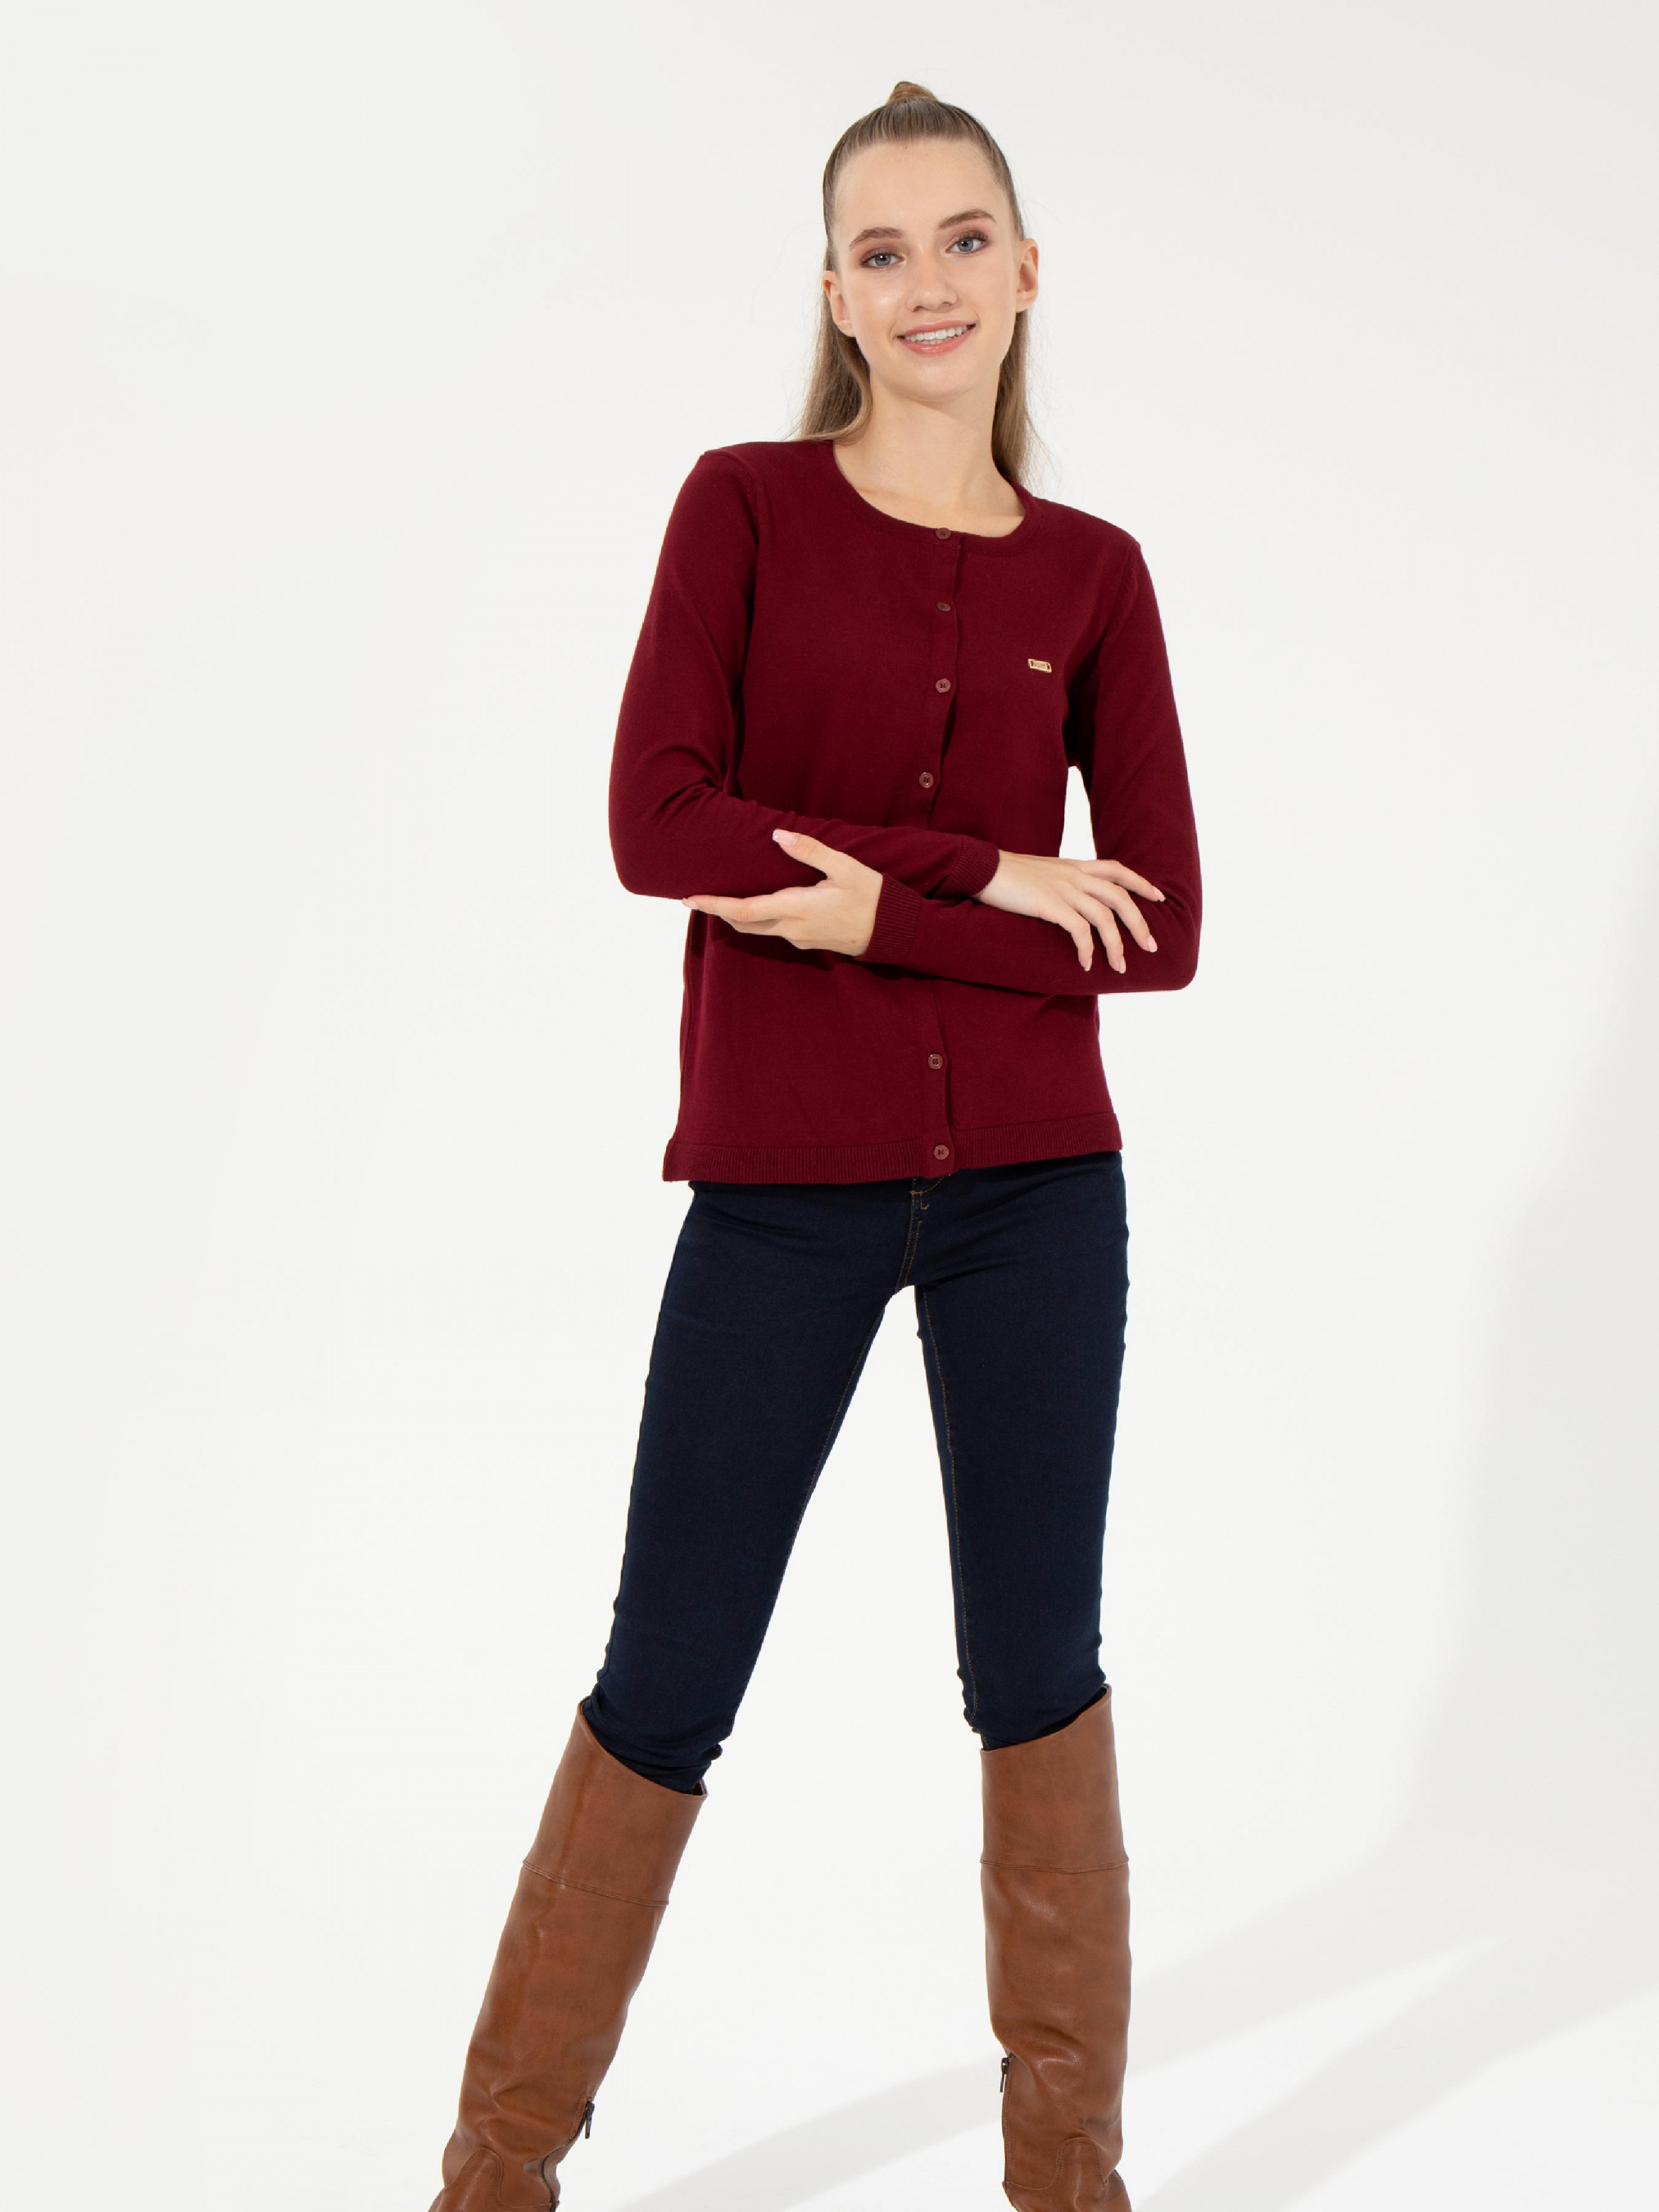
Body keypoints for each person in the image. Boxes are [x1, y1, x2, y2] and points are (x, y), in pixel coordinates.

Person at [428, 79, 1201, 2212]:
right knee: (668, 1675)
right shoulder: (744, 510)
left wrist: (872, 906)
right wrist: (968, 879)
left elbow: (1157, 926)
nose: (926, 280)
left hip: (1039, 1195)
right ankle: (494, 2172)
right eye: (881, 249)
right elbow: (656, 822)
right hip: (780, 1193)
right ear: (836, 295)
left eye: (962, 238)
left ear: (1024, 271)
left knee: (1037, 1675)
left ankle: (1068, 2178)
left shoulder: (1095, 576)